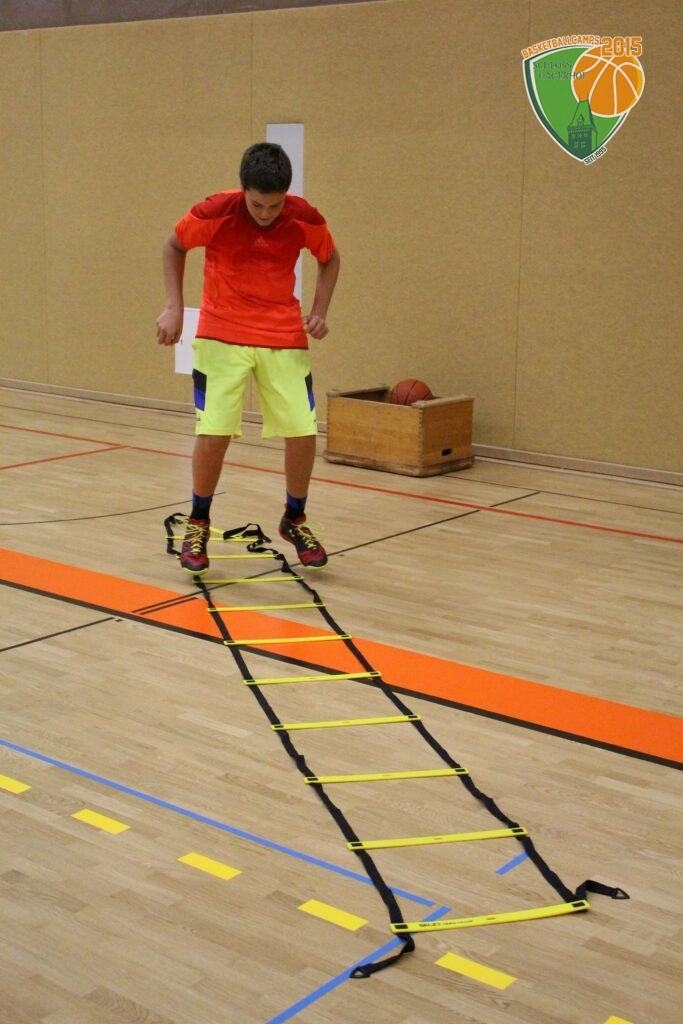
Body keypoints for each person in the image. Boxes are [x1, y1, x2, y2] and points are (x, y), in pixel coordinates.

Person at [156, 142, 340, 575]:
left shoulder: (305, 217)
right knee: (215, 430)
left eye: (275, 206)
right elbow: (173, 245)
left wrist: (320, 311)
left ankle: (294, 518)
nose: (266, 214)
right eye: (257, 204)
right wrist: (173, 306)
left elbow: (330, 259)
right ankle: (198, 521)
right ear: (243, 191)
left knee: (303, 430)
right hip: (221, 330)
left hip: (282, 331)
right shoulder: (216, 211)